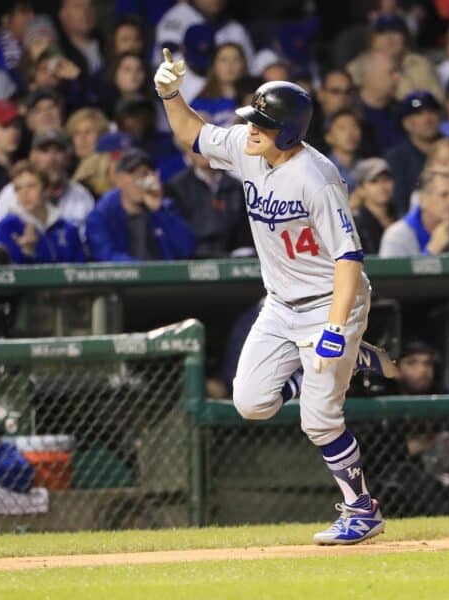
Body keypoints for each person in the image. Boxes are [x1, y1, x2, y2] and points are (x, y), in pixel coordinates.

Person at [156, 52, 394, 544]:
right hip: (281, 305)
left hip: (333, 302)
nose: (250, 128)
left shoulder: (317, 177)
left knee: (319, 419)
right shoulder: (248, 147)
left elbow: (349, 258)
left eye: (262, 123)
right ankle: (330, 368)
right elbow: (193, 134)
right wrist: (170, 95)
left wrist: (334, 329)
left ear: (288, 132)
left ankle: (361, 509)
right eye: (252, 119)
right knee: (249, 402)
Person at [85, 148, 196, 262]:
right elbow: (105, 256)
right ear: (118, 180)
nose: (139, 181)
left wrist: (158, 209)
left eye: (145, 174)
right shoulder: (102, 215)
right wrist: (144, 270)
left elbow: (186, 249)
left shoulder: (166, 208)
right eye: (133, 173)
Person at [0, 129, 95, 235]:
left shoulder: (81, 194)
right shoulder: (11, 193)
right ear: (32, 156)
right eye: (44, 151)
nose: (51, 159)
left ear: (68, 157)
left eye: (58, 151)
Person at [165, 147, 252, 259]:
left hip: (231, 259)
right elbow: (176, 234)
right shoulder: (176, 187)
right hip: (191, 260)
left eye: (204, 145)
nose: (202, 152)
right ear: (187, 152)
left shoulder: (236, 187)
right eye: (196, 147)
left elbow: (244, 236)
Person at [0, 160, 85, 264]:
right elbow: (3, 274)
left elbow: (80, 269)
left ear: (45, 190)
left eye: (31, 186)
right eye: (18, 188)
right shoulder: (7, 227)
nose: (24, 193)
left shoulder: (67, 228)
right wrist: (28, 253)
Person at [380, 169, 449, 257]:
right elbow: (394, 282)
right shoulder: (397, 236)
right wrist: (431, 251)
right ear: (423, 200)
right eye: (444, 195)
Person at [385, 91, 442, 216]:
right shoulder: (396, 158)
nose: (428, 119)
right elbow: (398, 204)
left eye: (432, 112)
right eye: (419, 114)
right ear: (407, 123)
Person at [349, 158, 395, 256]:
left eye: (386, 180)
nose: (382, 186)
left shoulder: (399, 216)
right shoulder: (355, 224)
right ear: (361, 189)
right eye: (374, 181)